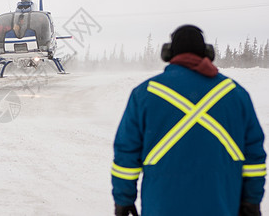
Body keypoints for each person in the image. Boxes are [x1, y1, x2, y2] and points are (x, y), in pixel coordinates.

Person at [111, 25, 266, 216]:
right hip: (222, 205)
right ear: (208, 52)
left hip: (161, 207)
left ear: (167, 53)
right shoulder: (236, 94)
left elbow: (125, 155)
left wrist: (123, 200)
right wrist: (252, 200)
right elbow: (254, 157)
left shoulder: (144, 94)